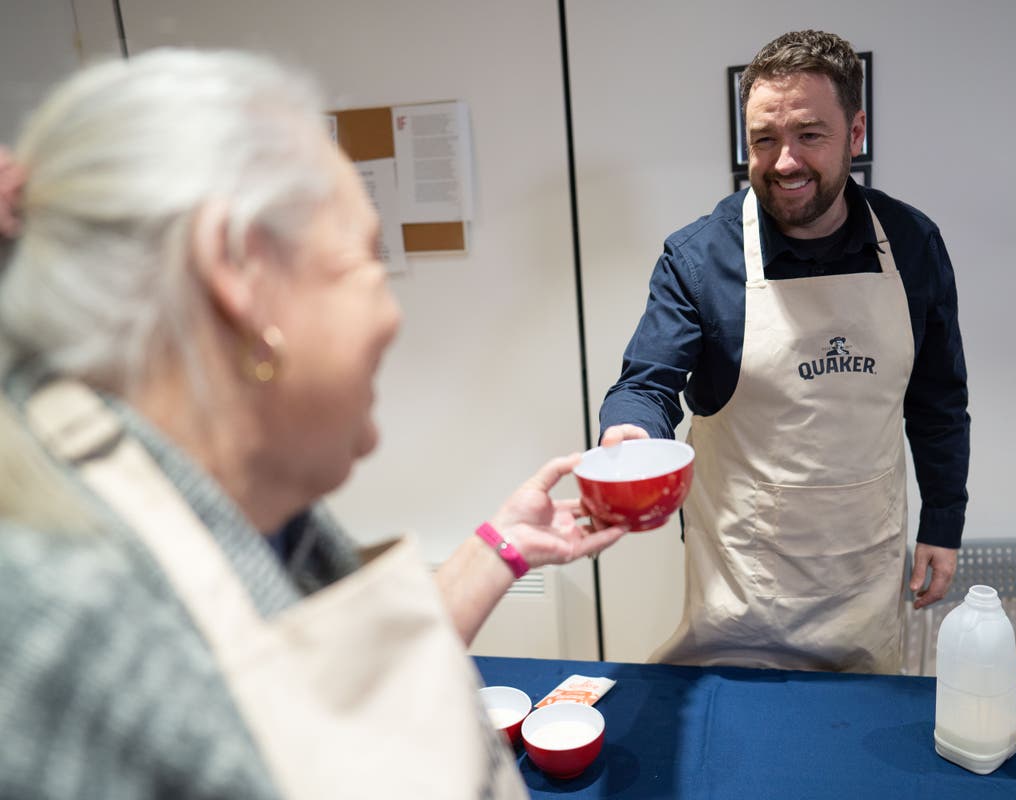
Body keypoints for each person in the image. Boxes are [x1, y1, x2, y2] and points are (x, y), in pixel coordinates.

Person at [0, 49, 626, 799]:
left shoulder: (225, 499)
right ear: (238, 272)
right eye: (367, 257)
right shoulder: (72, 637)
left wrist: (504, 547)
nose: (391, 315)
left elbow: (327, 699)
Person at [599, 30, 969, 673]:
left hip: (863, 572)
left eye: (810, 135)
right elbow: (647, 384)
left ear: (856, 133)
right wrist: (631, 435)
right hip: (740, 581)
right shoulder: (699, 256)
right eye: (763, 140)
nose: (784, 161)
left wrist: (943, 519)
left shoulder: (912, 244)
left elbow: (937, 399)